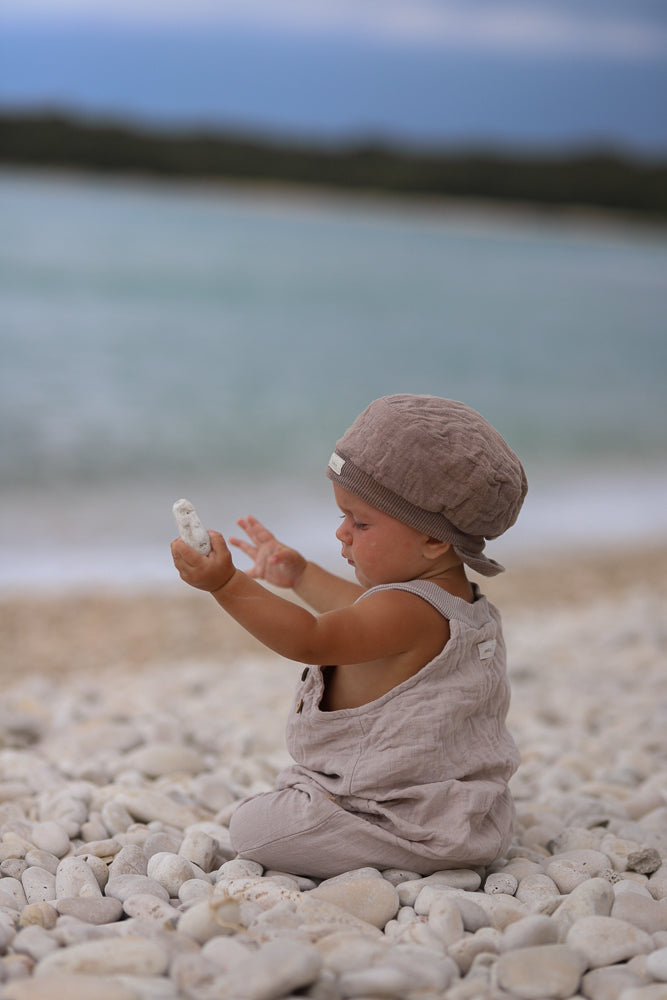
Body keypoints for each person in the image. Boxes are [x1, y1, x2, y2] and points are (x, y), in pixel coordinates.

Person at [171, 394, 527, 878]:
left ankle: (394, 850)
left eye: (360, 522)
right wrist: (299, 575)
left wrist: (226, 584)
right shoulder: (450, 599)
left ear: (433, 539)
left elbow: (314, 638)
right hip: (462, 809)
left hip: (401, 817)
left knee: (252, 828)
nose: (342, 533)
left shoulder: (408, 612)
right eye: (343, 517)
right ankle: (448, 840)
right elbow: (360, 615)